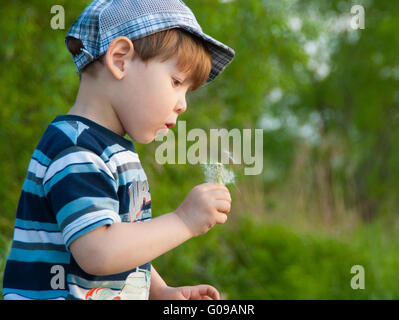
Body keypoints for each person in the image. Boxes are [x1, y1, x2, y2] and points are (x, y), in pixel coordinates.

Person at [2, 0, 234, 300]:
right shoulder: (75, 148)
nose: (183, 103)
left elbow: (123, 238)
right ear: (121, 59)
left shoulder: (112, 149)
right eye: (176, 81)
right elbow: (99, 251)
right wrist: (182, 221)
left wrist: (159, 291)